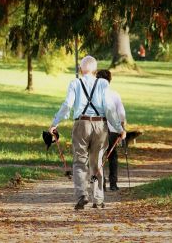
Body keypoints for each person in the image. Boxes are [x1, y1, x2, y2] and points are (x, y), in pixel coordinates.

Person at [49, 55, 126, 210]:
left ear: (80, 69)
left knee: (79, 161)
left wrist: (55, 123)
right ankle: (98, 199)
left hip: (81, 124)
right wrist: (119, 129)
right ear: (95, 71)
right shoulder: (103, 83)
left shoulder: (75, 83)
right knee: (97, 162)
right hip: (100, 125)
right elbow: (109, 109)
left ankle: (82, 195)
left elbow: (67, 105)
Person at [96, 69, 126, 191]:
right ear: (110, 80)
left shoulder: (95, 95)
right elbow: (122, 114)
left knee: (99, 156)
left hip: (98, 129)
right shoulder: (115, 95)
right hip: (113, 130)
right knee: (112, 156)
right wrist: (122, 128)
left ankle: (101, 183)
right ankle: (113, 184)